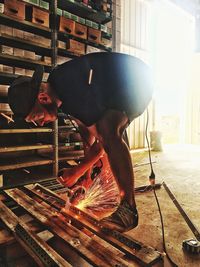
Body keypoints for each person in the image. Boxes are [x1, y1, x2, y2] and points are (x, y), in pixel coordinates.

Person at [8, 52, 153, 232]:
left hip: (137, 80)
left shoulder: (71, 90)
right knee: (106, 130)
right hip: (120, 86)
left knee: (109, 130)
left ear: (43, 98)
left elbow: (101, 144)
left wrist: (77, 171)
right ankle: (118, 199)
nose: (40, 123)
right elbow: (88, 138)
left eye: (37, 116)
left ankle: (128, 210)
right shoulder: (62, 93)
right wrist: (85, 179)